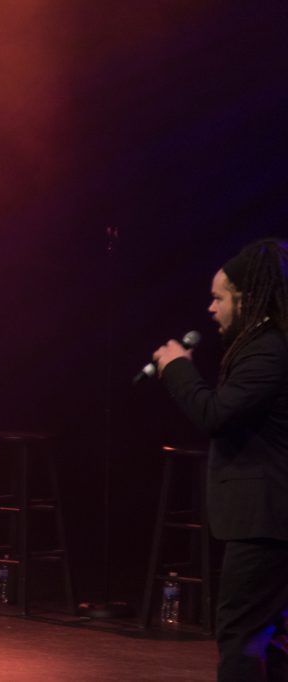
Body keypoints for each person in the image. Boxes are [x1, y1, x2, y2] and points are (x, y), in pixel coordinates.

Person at [154, 238, 288, 681]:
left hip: (266, 521)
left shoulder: (267, 349)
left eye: (219, 298)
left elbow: (215, 414)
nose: (211, 308)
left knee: (241, 636)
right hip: (268, 519)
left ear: (246, 299)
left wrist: (177, 368)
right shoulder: (267, 345)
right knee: (266, 636)